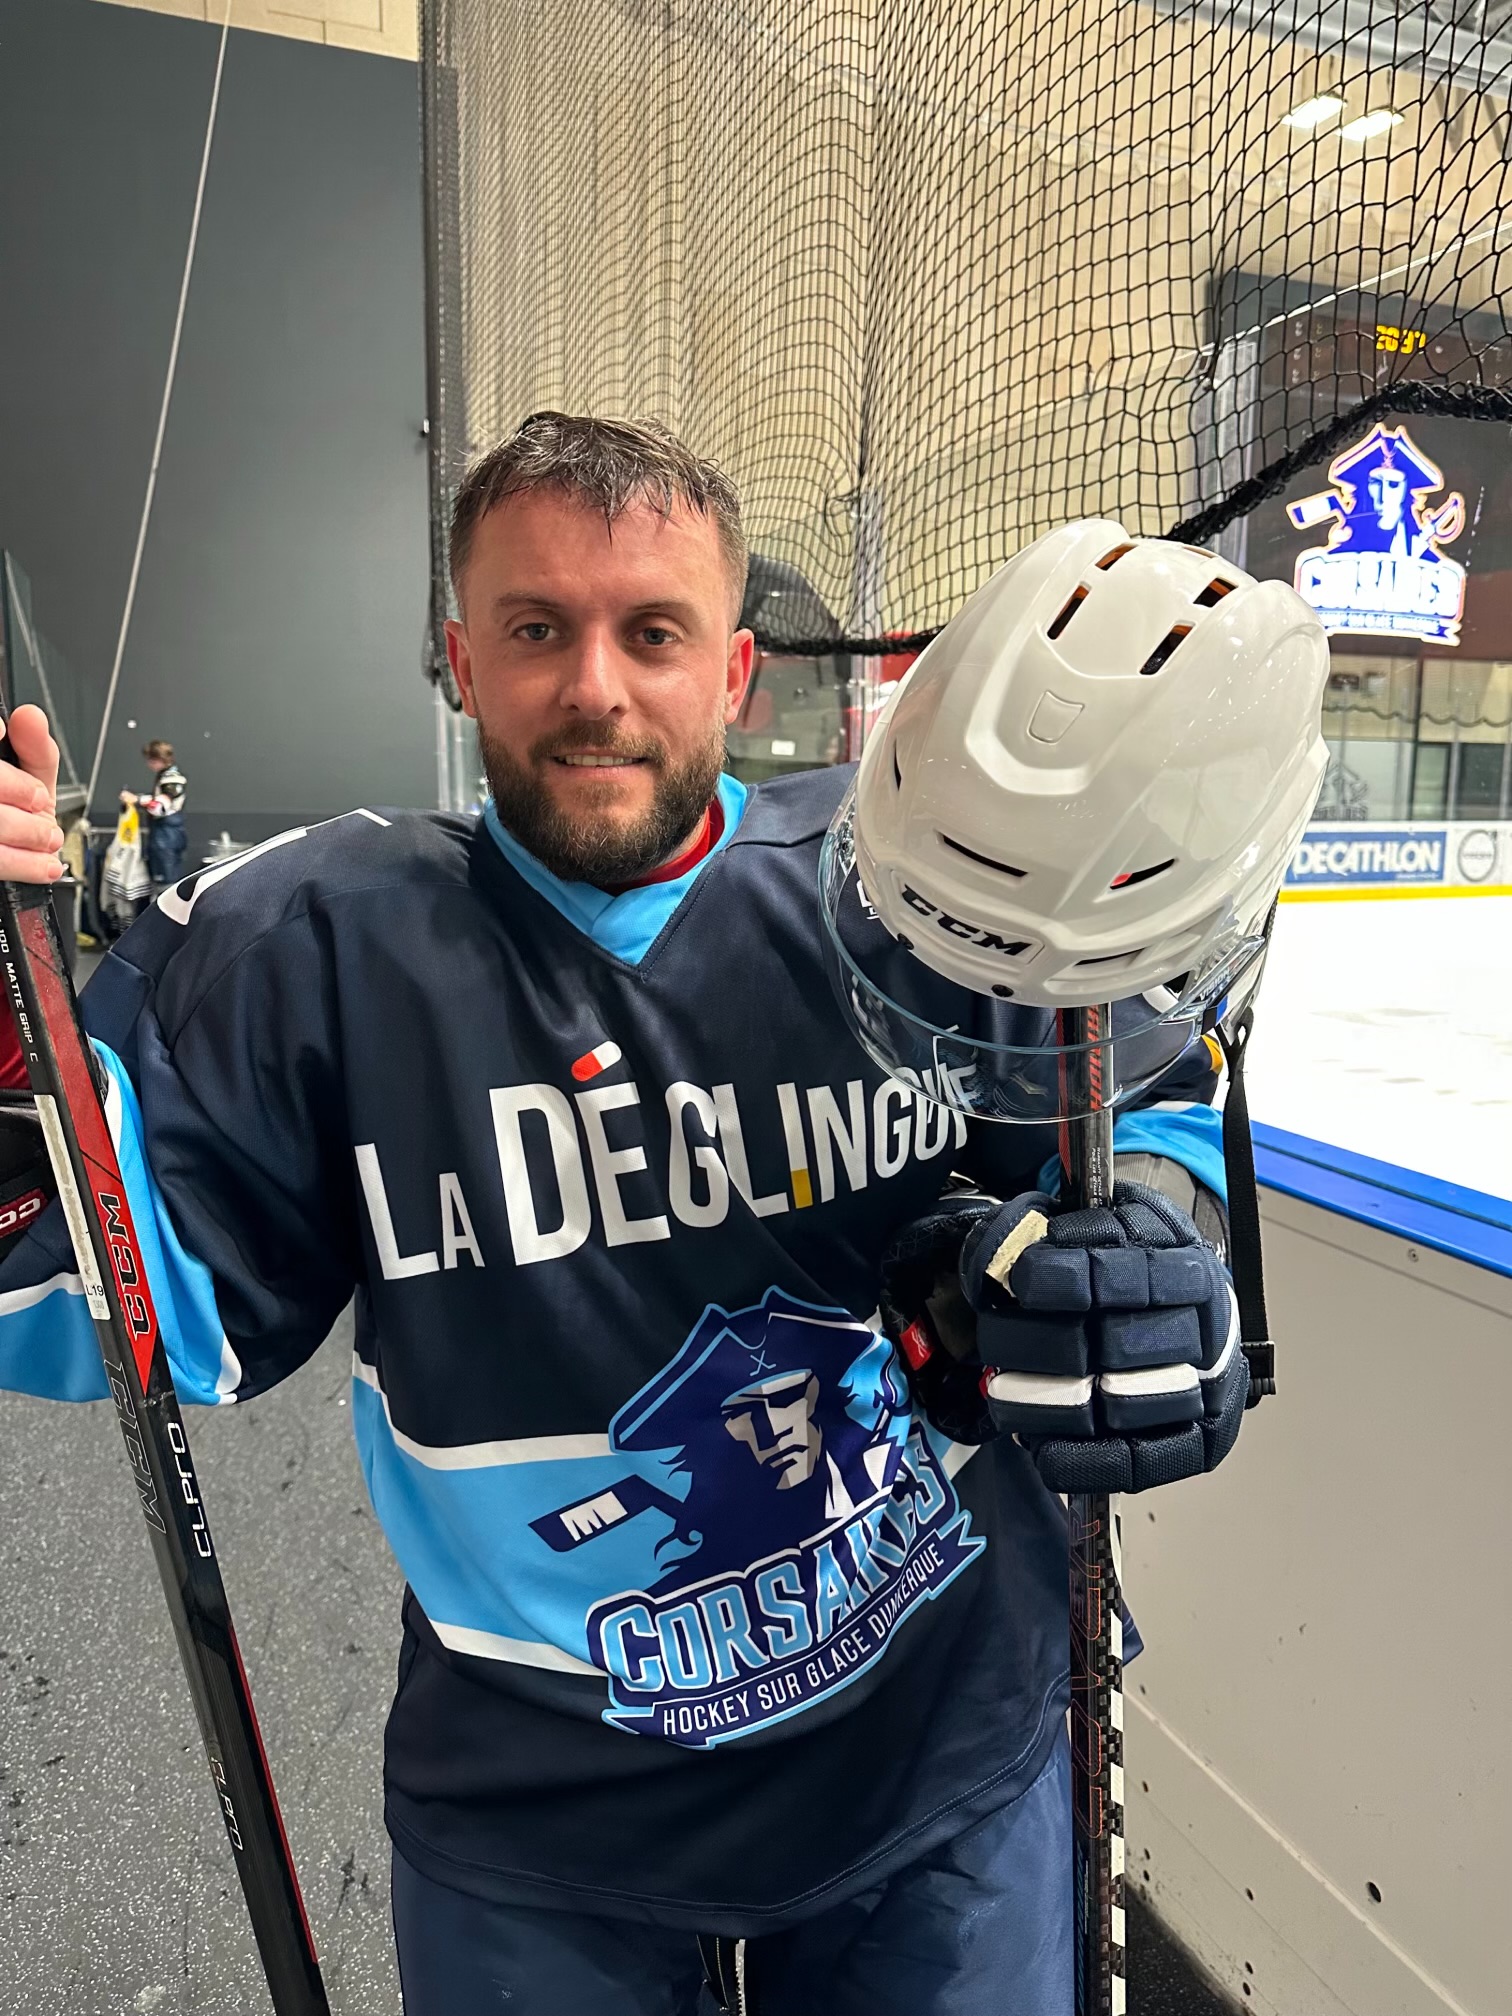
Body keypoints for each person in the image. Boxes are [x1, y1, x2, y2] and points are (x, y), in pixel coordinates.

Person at [0, 416, 1253, 2015]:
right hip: (542, 1814)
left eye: (652, 633)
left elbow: (1138, 1102)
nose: (595, 687)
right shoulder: (312, 949)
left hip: (936, 1744)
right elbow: (92, 1299)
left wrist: (1148, 1240)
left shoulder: (913, 889)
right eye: (537, 631)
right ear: (462, 663)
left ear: (733, 672)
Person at [121, 736, 188, 887]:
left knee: (166, 881)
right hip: (168, 832)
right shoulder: (167, 776)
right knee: (165, 878)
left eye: (151, 760)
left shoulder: (172, 779)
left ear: (159, 759)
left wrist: (137, 800)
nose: (148, 764)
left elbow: (159, 806)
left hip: (166, 834)